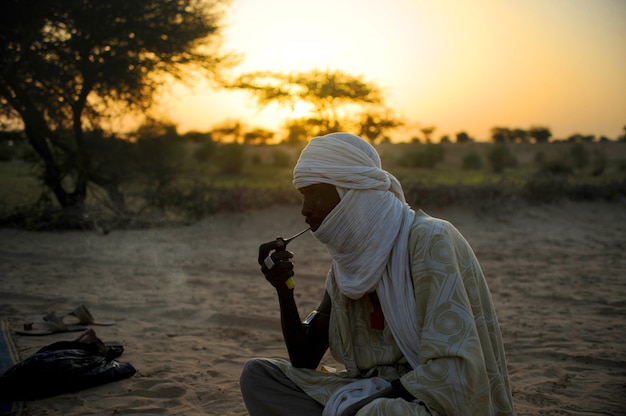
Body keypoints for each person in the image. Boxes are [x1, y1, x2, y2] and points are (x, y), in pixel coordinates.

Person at [240, 132, 516, 416]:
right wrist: (284, 292)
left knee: (376, 413)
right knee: (258, 375)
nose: (305, 210)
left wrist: (358, 405)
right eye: (303, 196)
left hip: (429, 397)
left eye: (314, 194)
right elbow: (304, 359)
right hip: (366, 392)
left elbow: (455, 370)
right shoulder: (347, 264)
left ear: (350, 192)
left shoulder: (430, 240)